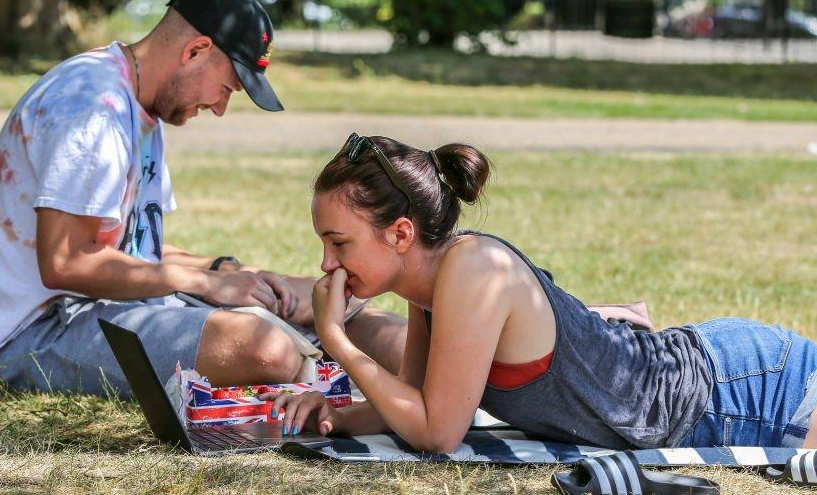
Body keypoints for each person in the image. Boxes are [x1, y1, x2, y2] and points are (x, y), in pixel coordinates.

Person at [0, 0, 406, 395]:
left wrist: (226, 272)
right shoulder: (93, 109)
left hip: (107, 303)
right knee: (268, 349)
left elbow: (133, 252)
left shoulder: (138, 105)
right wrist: (204, 283)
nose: (221, 107)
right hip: (35, 332)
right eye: (228, 87)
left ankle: (444, 387)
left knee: (331, 304)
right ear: (195, 50)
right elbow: (66, 262)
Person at [263, 132, 817, 451]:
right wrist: (333, 414)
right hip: (715, 384)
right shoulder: (432, 284)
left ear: (400, 233)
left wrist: (338, 338)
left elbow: (437, 433)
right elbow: (411, 406)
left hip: (745, 391)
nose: (325, 263)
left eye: (338, 243)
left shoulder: (474, 270)